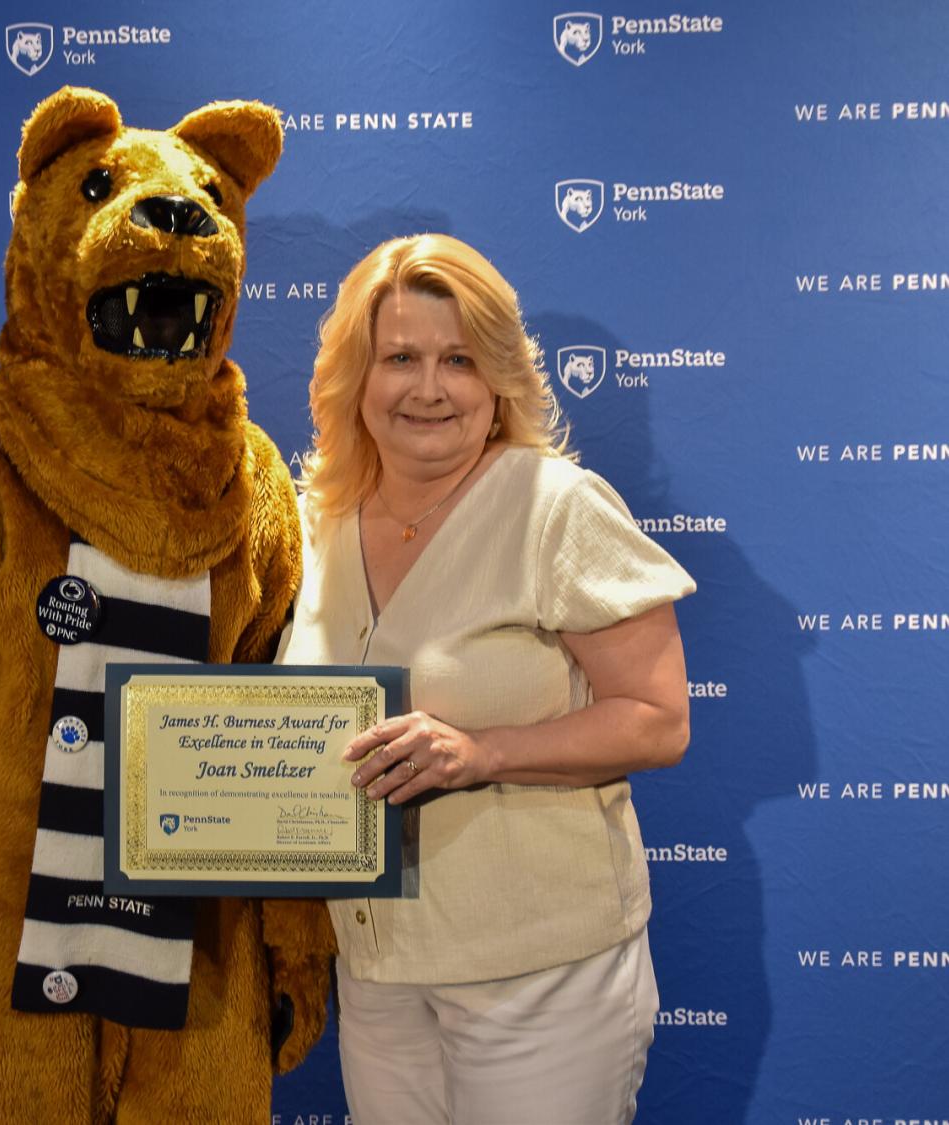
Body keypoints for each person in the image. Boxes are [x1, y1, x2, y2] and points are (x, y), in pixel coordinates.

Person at [276, 233, 694, 1124]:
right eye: (400, 358)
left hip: (542, 978)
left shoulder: (555, 506)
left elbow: (658, 719)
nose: (429, 388)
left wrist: (481, 751)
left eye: (458, 359)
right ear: (356, 374)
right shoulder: (314, 523)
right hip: (378, 974)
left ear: (499, 376)